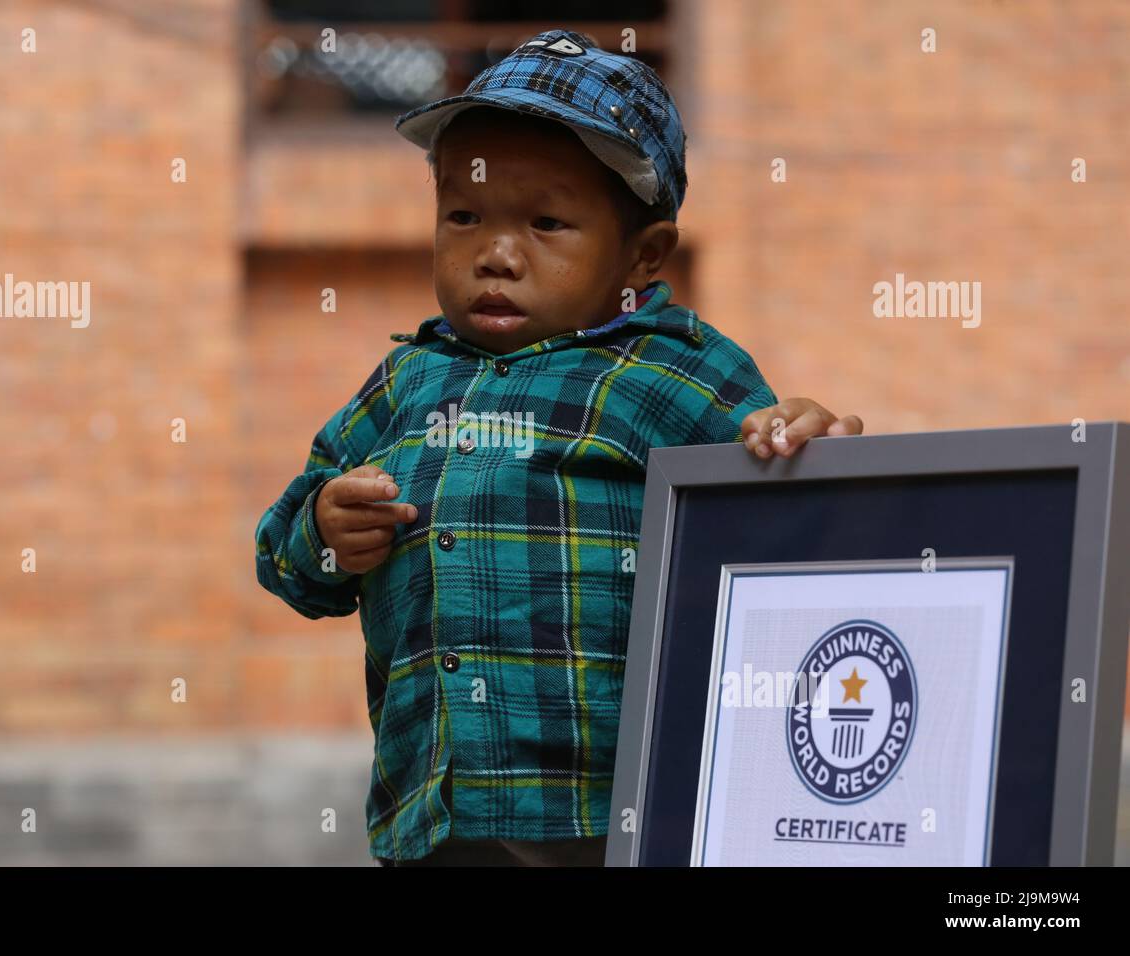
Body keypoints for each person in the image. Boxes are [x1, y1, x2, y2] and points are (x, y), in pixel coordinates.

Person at [255, 29, 863, 867]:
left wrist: (800, 441)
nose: (497, 254)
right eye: (463, 217)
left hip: (616, 817)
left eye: (547, 222)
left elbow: (782, 524)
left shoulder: (669, 372)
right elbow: (286, 564)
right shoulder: (405, 385)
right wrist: (324, 534)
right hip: (438, 815)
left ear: (641, 257)